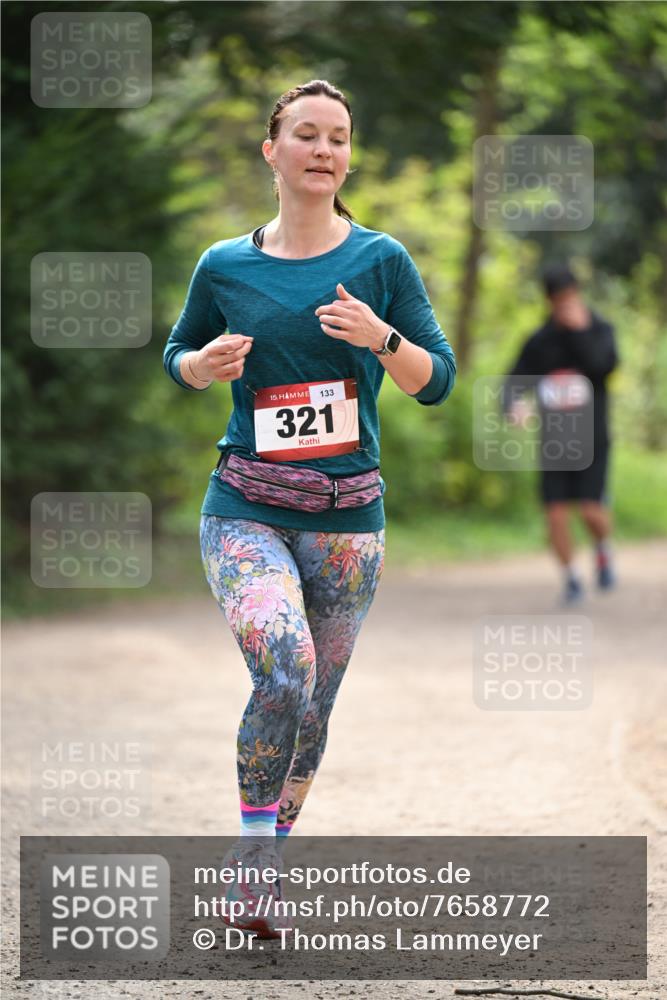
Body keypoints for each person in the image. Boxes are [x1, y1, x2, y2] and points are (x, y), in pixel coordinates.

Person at [163, 79, 456, 936]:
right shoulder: (224, 265)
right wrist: (200, 365)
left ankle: (270, 859)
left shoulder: (380, 261)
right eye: (305, 135)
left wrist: (382, 338)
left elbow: (434, 382)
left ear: (347, 155)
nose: (323, 150)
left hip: (348, 522)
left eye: (337, 137)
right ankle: (250, 865)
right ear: (272, 150)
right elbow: (178, 352)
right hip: (245, 504)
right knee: (284, 664)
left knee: (315, 702)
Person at [503, 264, 618, 605]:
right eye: (558, 300)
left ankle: (602, 548)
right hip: (553, 441)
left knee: (590, 510)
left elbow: (606, 367)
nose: (565, 305)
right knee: (555, 513)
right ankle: (571, 578)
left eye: (569, 297)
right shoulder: (540, 341)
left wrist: (581, 332)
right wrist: (513, 406)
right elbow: (513, 381)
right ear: (550, 301)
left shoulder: (599, 330)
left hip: (593, 438)